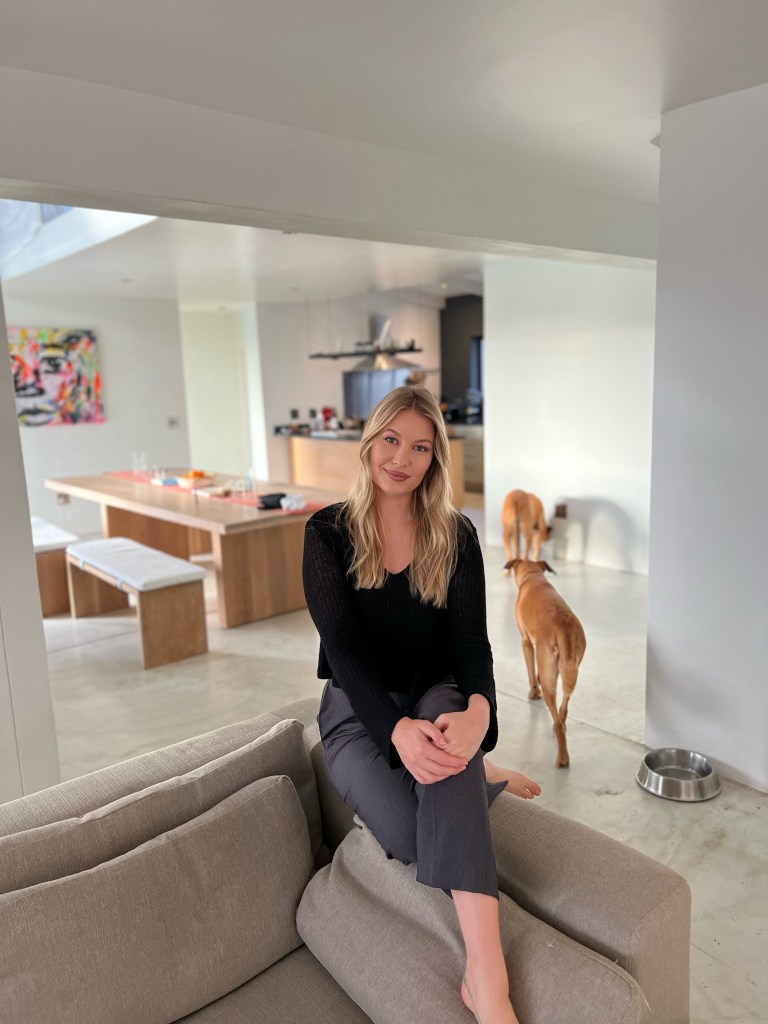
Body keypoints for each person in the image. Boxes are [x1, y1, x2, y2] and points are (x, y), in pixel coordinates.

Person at [302, 385, 540, 1024]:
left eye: (419, 447)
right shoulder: (327, 533)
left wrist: (480, 715)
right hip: (360, 712)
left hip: (437, 693)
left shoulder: (456, 535)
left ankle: (487, 978)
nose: (401, 459)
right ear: (369, 441)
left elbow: (470, 646)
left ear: (435, 458)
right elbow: (344, 652)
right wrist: (396, 731)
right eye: (391, 440)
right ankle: (474, 774)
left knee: (450, 747)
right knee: (412, 833)